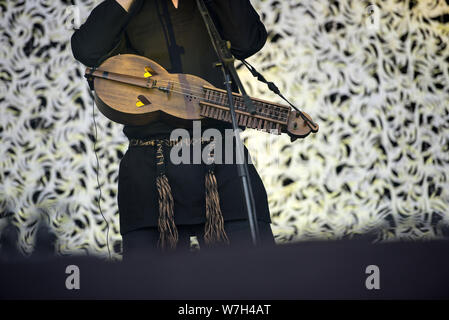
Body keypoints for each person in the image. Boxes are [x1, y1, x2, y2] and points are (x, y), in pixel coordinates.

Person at [71, 0, 275, 259]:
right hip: (151, 165)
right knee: (149, 284)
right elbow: (87, 49)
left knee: (252, 272)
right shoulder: (130, 8)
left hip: (222, 158)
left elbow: (248, 41)